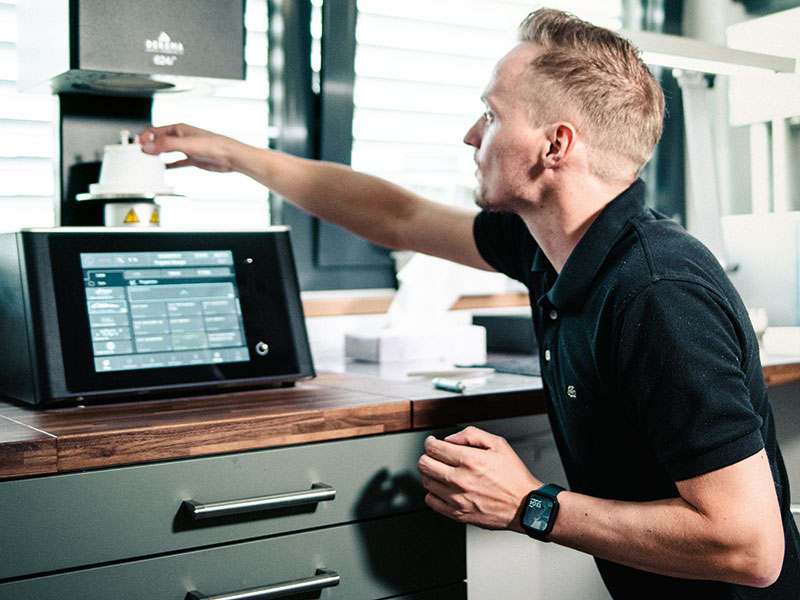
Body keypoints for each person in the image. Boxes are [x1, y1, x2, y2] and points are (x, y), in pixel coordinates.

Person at [140, 8, 800, 598]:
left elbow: (751, 548)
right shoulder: (556, 249)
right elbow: (396, 216)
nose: (470, 134)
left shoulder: (657, 297)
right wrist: (235, 154)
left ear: (555, 146)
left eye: (491, 114)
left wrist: (530, 505)